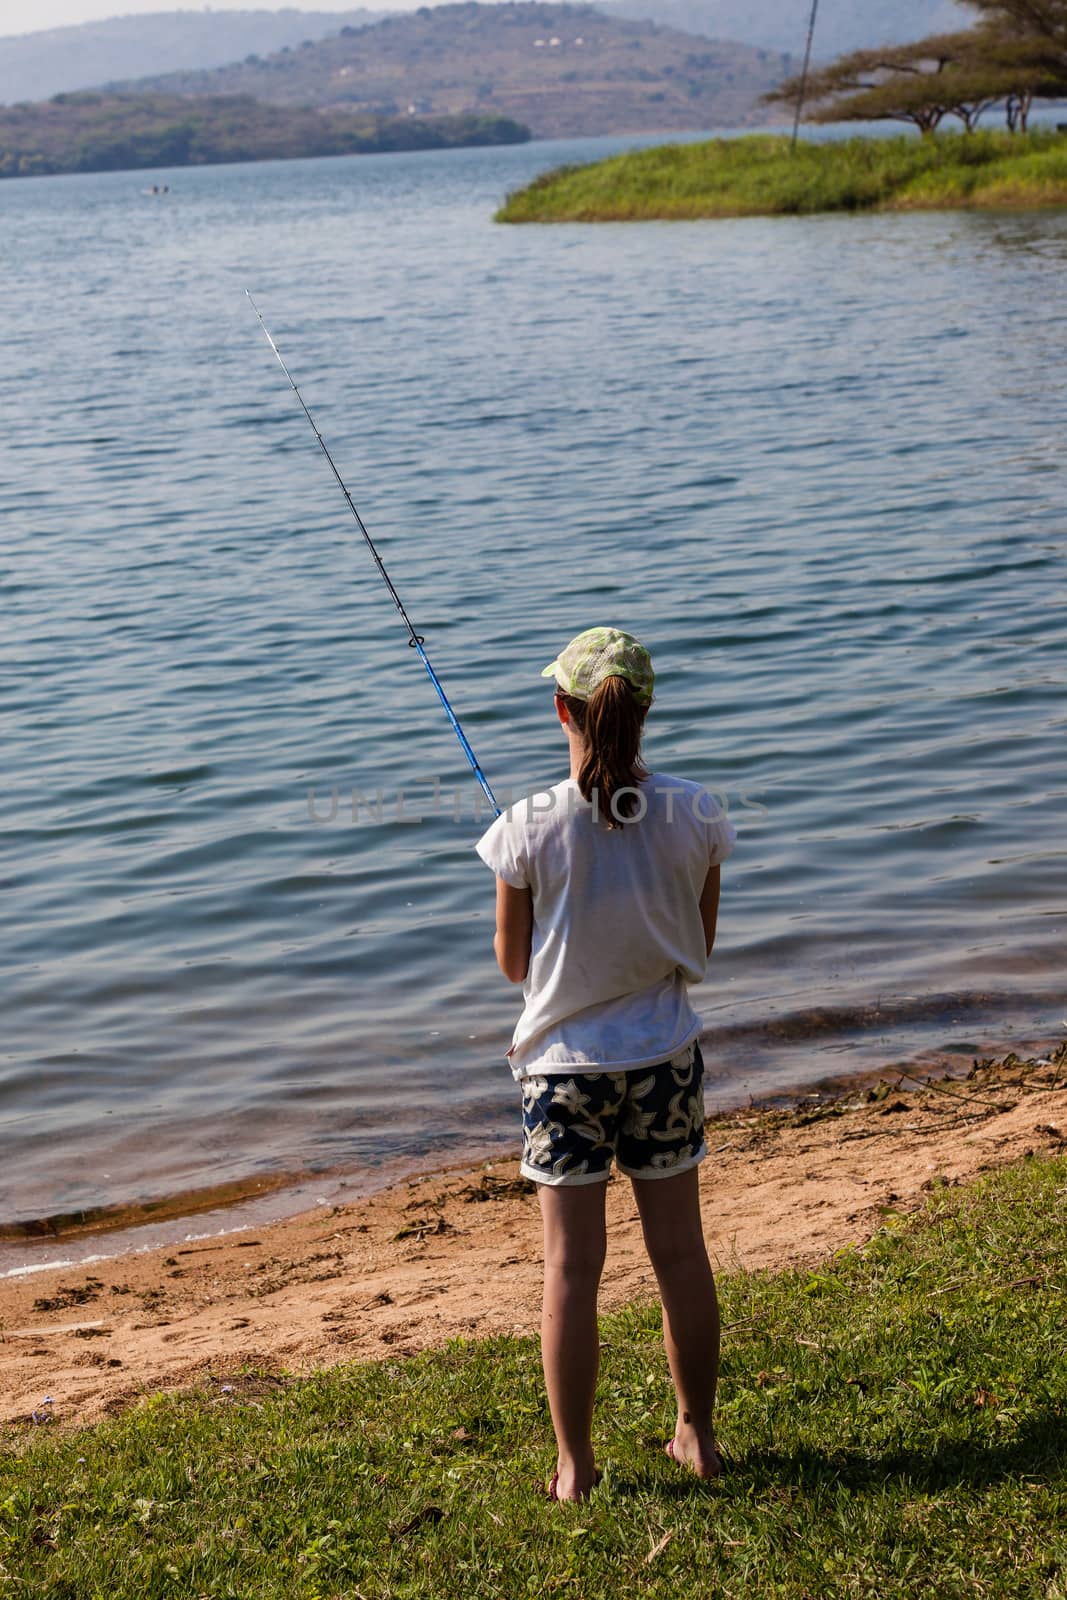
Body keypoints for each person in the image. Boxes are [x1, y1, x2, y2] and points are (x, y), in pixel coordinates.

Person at [476, 626, 736, 1503]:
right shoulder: (697, 812)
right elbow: (694, 946)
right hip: (662, 1057)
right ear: (645, 711)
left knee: (569, 1270)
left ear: (563, 711)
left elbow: (514, 969)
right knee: (679, 1253)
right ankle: (694, 1436)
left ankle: (575, 1466)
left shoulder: (523, 827)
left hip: (561, 1074)